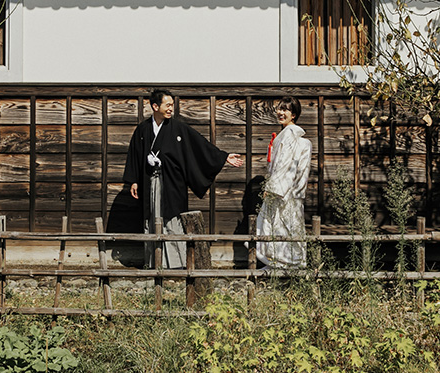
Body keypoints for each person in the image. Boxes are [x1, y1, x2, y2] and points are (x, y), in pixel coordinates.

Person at [122, 88, 244, 269]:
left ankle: (175, 264)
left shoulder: (179, 128)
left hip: (172, 183)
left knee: (172, 219)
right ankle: (153, 262)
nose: (171, 108)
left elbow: (200, 145)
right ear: (155, 106)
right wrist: (134, 180)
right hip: (150, 182)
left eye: (172, 105)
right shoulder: (143, 130)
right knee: (152, 218)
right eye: (168, 105)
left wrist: (223, 156)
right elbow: (135, 155)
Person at [255, 95, 312, 269]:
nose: (281, 112)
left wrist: (273, 188)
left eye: (286, 109)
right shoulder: (291, 137)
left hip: (282, 190)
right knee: (287, 226)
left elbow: (285, 165)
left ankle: (280, 265)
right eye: (280, 108)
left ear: (293, 114)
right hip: (291, 191)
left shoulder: (289, 135)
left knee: (278, 225)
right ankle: (287, 265)